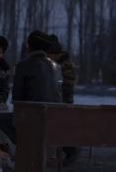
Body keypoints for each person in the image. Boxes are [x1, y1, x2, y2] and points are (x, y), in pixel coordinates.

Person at [0, 30, 63, 145]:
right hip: (53, 118)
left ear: (29, 47)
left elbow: (17, 99)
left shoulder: (23, 66)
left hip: (33, 117)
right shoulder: (57, 67)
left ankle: (25, 146)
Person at [47, 34, 80, 167]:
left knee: (58, 127)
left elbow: (68, 84)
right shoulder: (58, 63)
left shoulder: (64, 64)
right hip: (59, 99)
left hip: (63, 100)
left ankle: (71, 149)